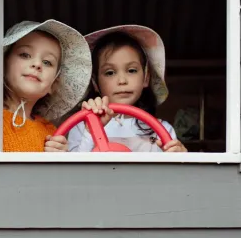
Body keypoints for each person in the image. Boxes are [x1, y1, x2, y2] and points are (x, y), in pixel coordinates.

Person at [68, 24, 187, 153]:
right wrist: (90, 132)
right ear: (95, 83)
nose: (122, 81)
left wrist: (181, 158)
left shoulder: (162, 130)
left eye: (131, 70)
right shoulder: (81, 128)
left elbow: (172, 172)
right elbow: (75, 170)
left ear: (146, 78)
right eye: (110, 72)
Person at [3, 19, 92, 152]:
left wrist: (61, 158)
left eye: (47, 62)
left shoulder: (51, 133)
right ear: (3, 65)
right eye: (25, 55)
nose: (37, 64)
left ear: (54, 84)